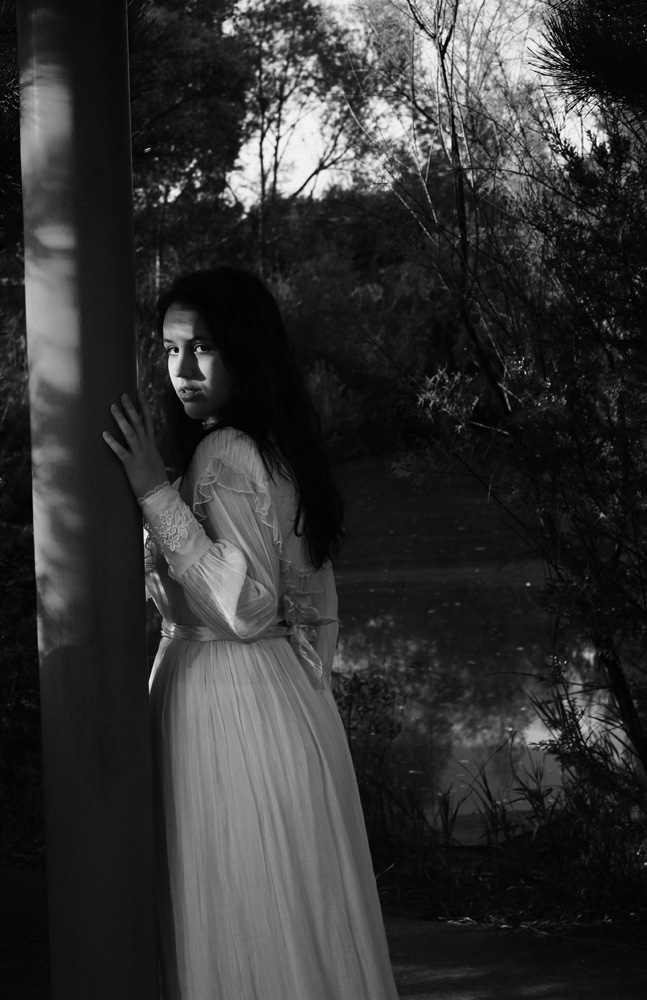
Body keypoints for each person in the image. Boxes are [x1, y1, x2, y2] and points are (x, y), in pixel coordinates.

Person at [103, 265, 400, 1000]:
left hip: (223, 699)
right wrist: (296, 688)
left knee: (238, 908)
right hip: (283, 699)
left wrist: (153, 492)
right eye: (171, 350)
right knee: (285, 910)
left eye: (203, 347)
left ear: (245, 350)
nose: (183, 370)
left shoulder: (224, 452)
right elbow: (317, 606)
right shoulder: (278, 446)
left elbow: (244, 609)